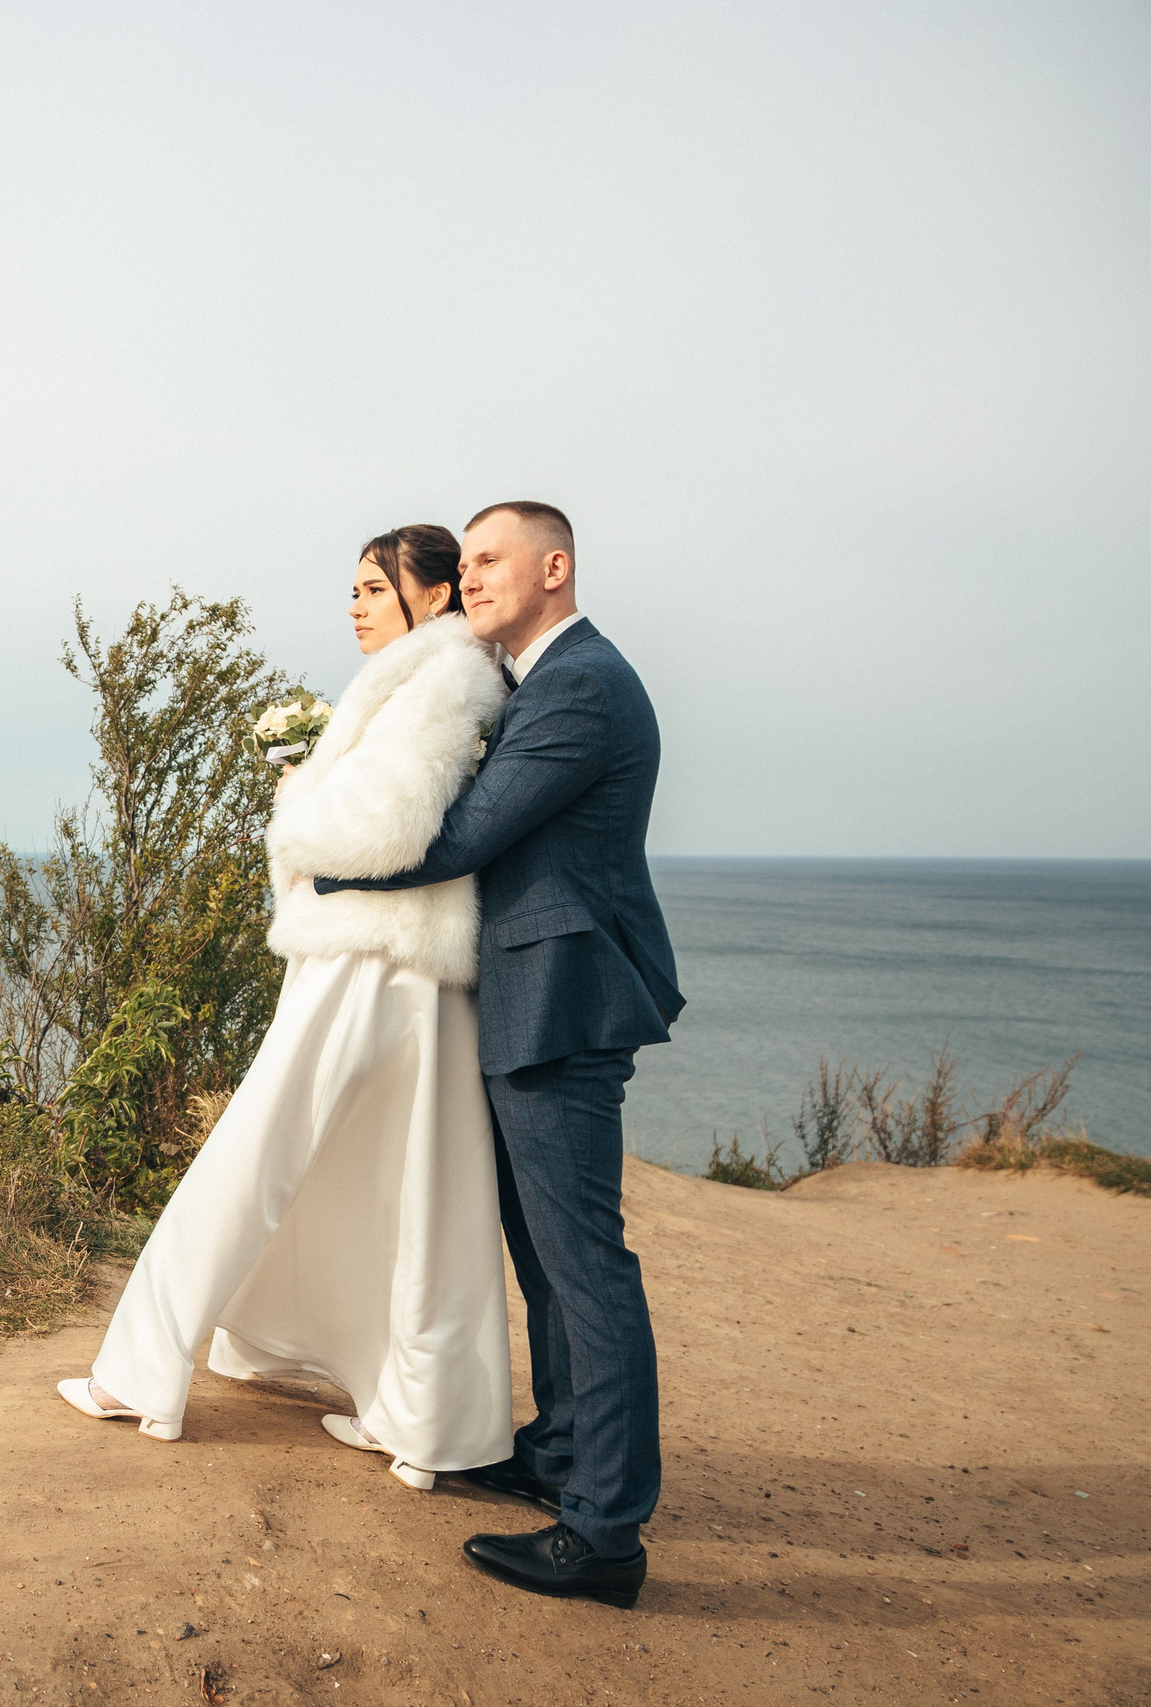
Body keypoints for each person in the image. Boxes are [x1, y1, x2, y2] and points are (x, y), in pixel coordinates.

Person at [57, 524, 514, 1489]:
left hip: (369, 962)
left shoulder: (443, 681)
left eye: (372, 587)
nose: (353, 604)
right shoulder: (432, 677)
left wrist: (297, 800)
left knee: (253, 1154)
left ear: (431, 596)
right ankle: (424, 1425)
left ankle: (140, 1374)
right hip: (405, 968)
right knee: (412, 1191)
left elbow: (387, 825)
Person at [313, 500, 683, 1609]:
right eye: (463, 564)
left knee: (583, 1266)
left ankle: (606, 1535)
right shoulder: (543, 681)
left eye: (489, 561)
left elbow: (472, 833)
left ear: (553, 567)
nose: (468, 579)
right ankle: (564, 1453)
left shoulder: (581, 685)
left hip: (561, 999)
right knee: (542, 1259)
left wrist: (329, 867)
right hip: (530, 997)